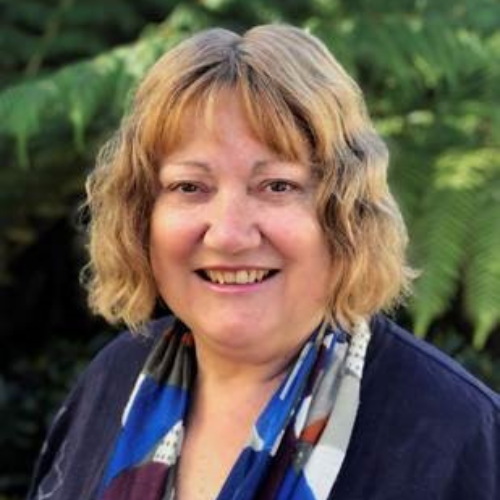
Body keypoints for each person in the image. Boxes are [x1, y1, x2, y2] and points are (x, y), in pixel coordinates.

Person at [28, 24, 498, 500]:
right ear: (141, 213)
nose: (229, 235)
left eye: (277, 186)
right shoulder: (113, 381)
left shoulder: (456, 433)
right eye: (190, 187)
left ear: (344, 212)